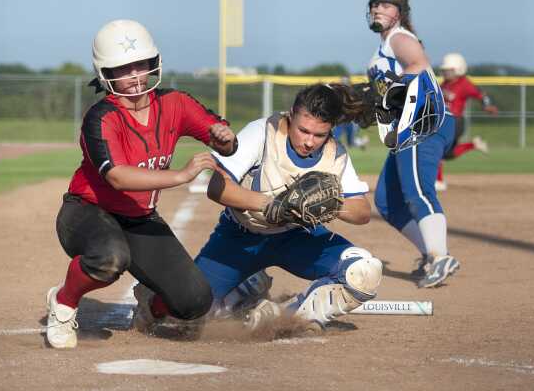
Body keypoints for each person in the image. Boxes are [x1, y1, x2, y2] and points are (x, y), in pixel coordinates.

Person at [46, 19, 237, 349]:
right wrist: (180, 175)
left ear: (154, 64)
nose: (135, 76)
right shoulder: (101, 116)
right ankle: (63, 302)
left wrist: (225, 139)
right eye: (123, 68)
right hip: (87, 213)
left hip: (139, 218)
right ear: (106, 73)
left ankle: (150, 305)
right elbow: (118, 176)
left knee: (194, 301)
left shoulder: (175, 104)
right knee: (110, 258)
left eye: (141, 65)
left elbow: (224, 140)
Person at [187, 83, 383, 331]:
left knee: (363, 272)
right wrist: (272, 203)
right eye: (303, 130)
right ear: (291, 114)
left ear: (331, 130)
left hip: (298, 237)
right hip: (240, 238)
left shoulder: (335, 153)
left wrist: (333, 204)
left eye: (319, 135)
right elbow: (217, 188)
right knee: (187, 311)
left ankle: (288, 315)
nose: (310, 141)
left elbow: (362, 212)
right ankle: (248, 285)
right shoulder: (263, 131)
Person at [366, 0, 460, 288]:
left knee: (418, 192)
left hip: (424, 122)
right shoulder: (384, 46)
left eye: (387, 4)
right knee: (387, 201)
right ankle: (430, 254)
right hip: (408, 127)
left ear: (400, 13)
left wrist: (391, 89)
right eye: (375, 3)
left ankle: (441, 256)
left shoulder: (400, 37)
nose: (378, 8)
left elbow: (418, 65)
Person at [436, 53, 499, 191]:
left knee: (437, 148)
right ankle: (473, 144)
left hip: (455, 121)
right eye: (445, 70)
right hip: (443, 121)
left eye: (449, 70)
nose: (445, 72)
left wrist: (487, 105)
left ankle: (439, 181)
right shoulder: (444, 84)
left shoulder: (464, 83)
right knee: (449, 154)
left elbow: (481, 94)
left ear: (459, 69)